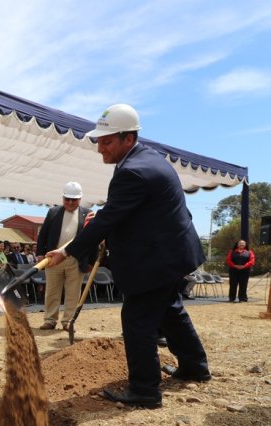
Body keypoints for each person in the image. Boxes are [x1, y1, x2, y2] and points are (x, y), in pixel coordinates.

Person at [44, 103, 210, 409]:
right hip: (172, 253)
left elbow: (110, 219)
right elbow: (127, 212)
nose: (100, 149)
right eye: (99, 142)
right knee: (170, 310)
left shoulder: (133, 171)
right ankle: (195, 367)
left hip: (158, 259)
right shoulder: (147, 160)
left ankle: (145, 391)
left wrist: (67, 250)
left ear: (128, 139)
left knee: (137, 320)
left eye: (107, 142)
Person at [36, 181, 93, 332]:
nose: (69, 202)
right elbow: (43, 235)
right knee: (52, 291)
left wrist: (91, 261)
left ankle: (68, 321)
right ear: (62, 198)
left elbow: (92, 239)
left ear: (79, 199)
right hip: (53, 259)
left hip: (76, 259)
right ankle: (50, 320)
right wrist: (40, 253)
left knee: (73, 292)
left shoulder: (88, 214)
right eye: (66, 199)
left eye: (73, 199)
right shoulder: (53, 212)